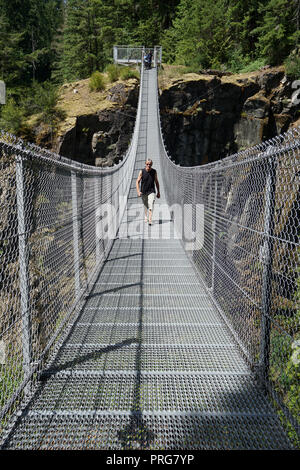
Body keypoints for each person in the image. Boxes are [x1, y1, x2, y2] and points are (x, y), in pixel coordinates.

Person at [136, 159, 160, 225]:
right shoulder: (142, 171)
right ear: (145, 164)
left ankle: (150, 219)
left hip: (151, 191)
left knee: (150, 204)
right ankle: (146, 216)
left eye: (150, 164)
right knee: (146, 205)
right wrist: (138, 191)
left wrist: (158, 192)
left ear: (151, 164)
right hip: (143, 191)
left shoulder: (154, 171)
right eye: (147, 164)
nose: (148, 165)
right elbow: (137, 181)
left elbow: (157, 182)